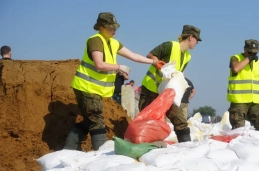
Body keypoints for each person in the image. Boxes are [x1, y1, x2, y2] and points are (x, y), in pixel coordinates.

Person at [64, 12, 166, 151]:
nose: (114, 30)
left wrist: (154, 62)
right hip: (86, 87)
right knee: (97, 120)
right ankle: (100, 154)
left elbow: (134, 56)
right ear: (101, 27)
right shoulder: (95, 40)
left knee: (90, 120)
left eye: (115, 27)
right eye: (110, 27)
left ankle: (68, 149)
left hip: (94, 89)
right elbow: (99, 64)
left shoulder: (113, 43)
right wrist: (119, 67)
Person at [139, 25, 202, 142]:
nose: (197, 42)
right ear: (191, 37)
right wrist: (158, 63)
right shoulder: (170, 46)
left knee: (180, 121)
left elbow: (179, 74)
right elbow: (150, 55)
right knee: (147, 122)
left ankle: (186, 147)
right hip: (150, 90)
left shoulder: (187, 56)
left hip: (166, 93)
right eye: (197, 39)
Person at [227, 39, 259, 134]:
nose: (252, 54)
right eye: (250, 52)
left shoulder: (256, 62)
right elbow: (235, 68)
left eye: (254, 53)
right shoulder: (236, 58)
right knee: (238, 130)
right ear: (244, 49)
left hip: (254, 101)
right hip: (239, 102)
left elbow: (257, 78)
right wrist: (248, 59)